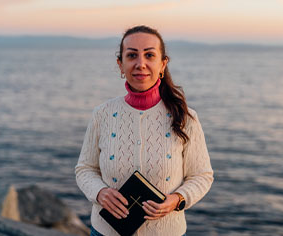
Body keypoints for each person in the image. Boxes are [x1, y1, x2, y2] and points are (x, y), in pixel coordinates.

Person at [75, 25, 213, 236]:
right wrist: (100, 192)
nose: (141, 64)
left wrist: (177, 200)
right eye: (132, 56)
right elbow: (85, 169)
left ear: (162, 64)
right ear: (120, 65)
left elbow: (202, 175)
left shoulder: (187, 117)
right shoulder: (102, 114)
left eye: (149, 55)